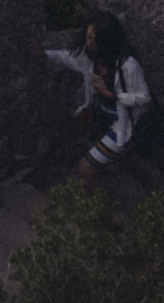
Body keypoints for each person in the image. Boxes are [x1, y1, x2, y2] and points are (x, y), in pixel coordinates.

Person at [43, 14, 152, 181]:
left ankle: (97, 205)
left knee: (84, 169)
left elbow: (144, 98)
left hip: (124, 127)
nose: (89, 43)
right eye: (88, 36)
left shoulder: (128, 66)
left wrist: (110, 94)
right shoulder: (91, 58)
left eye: (95, 39)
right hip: (103, 117)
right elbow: (65, 57)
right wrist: (43, 53)